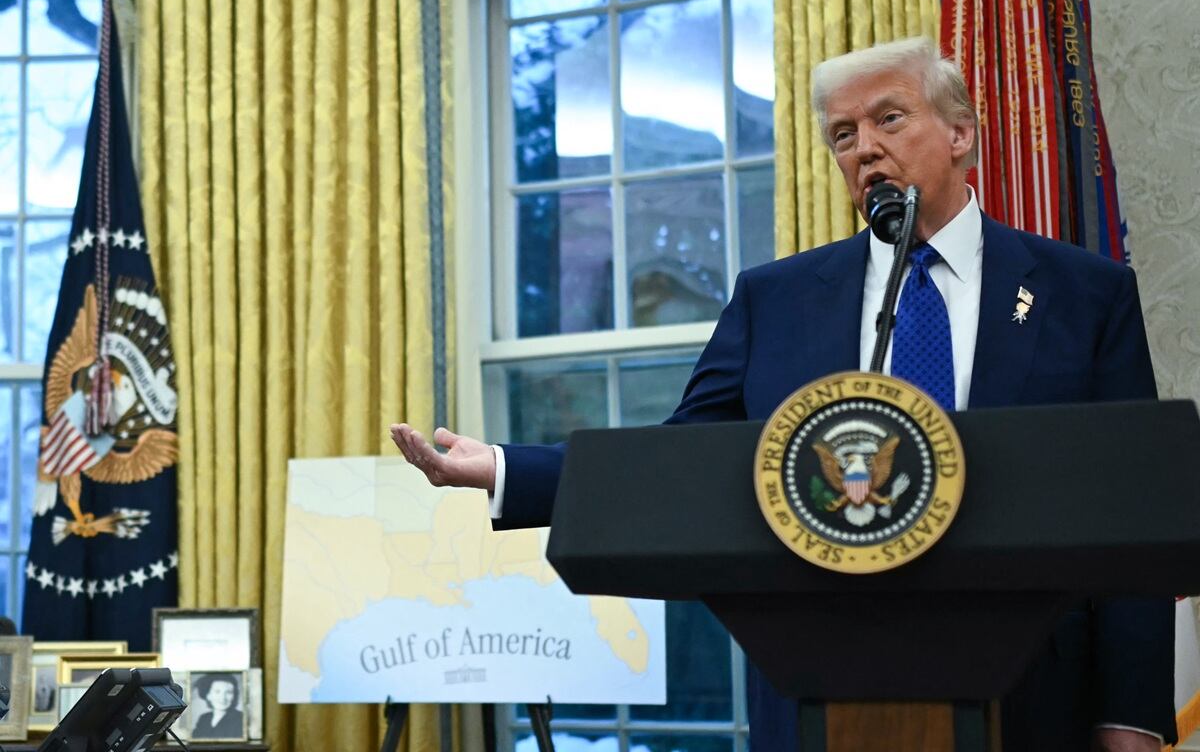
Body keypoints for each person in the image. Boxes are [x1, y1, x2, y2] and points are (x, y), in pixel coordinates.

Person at [392, 37, 1174, 751]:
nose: (864, 148)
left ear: (960, 133)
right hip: (817, 697)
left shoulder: (1084, 294)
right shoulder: (776, 301)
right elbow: (677, 461)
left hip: (1036, 699)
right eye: (843, 134)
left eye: (889, 119)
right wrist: (503, 469)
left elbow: (1133, 507)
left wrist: (1132, 713)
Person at [191, 673, 245, 739]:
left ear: (234, 696)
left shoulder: (240, 718)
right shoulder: (204, 718)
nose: (223, 698)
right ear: (208, 695)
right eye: (217, 692)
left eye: (229, 692)